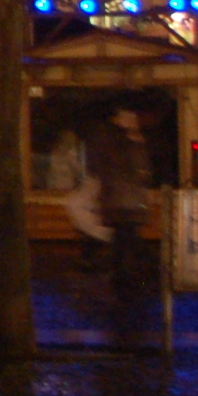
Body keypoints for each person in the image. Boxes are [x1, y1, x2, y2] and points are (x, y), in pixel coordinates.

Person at [84, 106, 155, 301]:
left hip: (115, 200)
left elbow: (101, 169)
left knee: (122, 239)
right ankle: (127, 282)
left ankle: (120, 279)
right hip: (128, 201)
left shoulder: (106, 141)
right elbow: (141, 171)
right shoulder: (129, 143)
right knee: (127, 239)